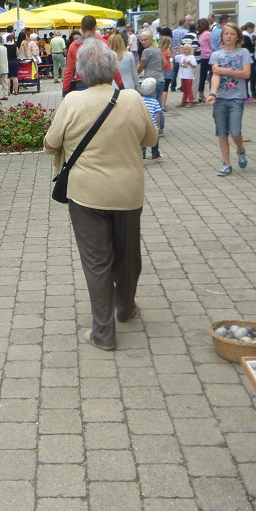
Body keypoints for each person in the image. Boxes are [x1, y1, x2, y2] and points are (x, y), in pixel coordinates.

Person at [44, 39, 157, 351]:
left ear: (80, 72)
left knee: (97, 262)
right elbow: (151, 137)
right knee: (129, 256)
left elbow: (50, 144)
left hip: (86, 194)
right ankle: (125, 307)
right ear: (112, 68)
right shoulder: (133, 98)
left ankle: (103, 334)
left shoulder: (72, 102)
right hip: (128, 192)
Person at [204, 22, 252, 176]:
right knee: (222, 132)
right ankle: (226, 163)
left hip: (237, 97)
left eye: (232, 34)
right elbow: (215, 76)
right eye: (226, 34)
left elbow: (246, 74)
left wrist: (225, 70)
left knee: (235, 132)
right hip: (220, 98)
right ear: (221, 37)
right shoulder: (216, 55)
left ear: (237, 36)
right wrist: (212, 94)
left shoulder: (243, 52)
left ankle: (240, 149)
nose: (229, 36)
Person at [139, 78, 164, 161]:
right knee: (155, 139)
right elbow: (158, 115)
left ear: (141, 91)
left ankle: (142, 155)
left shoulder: (139, 101)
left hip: (142, 124)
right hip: (152, 125)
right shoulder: (155, 102)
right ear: (154, 91)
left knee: (142, 140)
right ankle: (155, 154)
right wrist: (158, 125)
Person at [136, 28, 164, 96]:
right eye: (141, 40)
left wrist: (133, 74)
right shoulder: (158, 50)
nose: (143, 42)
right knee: (158, 103)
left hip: (150, 80)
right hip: (160, 79)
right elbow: (164, 63)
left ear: (151, 39)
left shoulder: (146, 51)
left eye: (145, 40)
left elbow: (141, 67)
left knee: (150, 103)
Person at [196, 19, 213, 103]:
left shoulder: (199, 34)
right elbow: (211, 45)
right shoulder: (207, 34)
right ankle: (212, 92)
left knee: (202, 76)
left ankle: (200, 94)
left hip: (201, 56)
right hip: (208, 56)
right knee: (212, 74)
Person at [158, 32, 174, 109]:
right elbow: (165, 62)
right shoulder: (164, 52)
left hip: (164, 70)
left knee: (162, 88)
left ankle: (161, 103)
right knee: (165, 88)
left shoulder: (161, 51)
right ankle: (163, 104)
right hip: (166, 71)